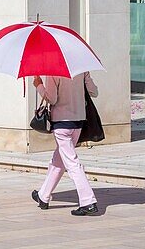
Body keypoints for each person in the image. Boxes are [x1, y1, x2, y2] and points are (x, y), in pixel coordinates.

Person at [31, 72, 100, 216]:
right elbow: (94, 91)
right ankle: (43, 196)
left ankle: (88, 201)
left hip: (62, 123)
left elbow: (52, 98)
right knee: (59, 160)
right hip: (78, 122)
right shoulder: (81, 69)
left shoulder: (53, 71)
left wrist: (39, 85)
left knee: (72, 163)